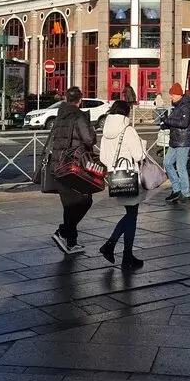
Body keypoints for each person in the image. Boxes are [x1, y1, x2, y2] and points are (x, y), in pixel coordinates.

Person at [46, 86, 98, 254]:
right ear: (80, 100)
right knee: (84, 201)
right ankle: (63, 232)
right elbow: (89, 139)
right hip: (74, 167)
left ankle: (71, 242)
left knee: (69, 205)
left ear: (66, 99)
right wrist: (92, 129)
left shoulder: (60, 116)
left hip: (58, 166)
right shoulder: (78, 115)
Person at [97, 100, 147, 270]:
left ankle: (125, 254)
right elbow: (139, 155)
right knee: (132, 215)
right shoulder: (128, 130)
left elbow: (103, 158)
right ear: (126, 113)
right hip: (129, 176)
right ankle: (113, 246)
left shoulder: (106, 131)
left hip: (116, 177)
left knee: (131, 214)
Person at [161, 82, 190, 205]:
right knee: (167, 162)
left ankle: (185, 194)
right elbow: (174, 121)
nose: (171, 97)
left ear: (179, 94)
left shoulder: (185, 106)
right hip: (175, 140)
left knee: (181, 167)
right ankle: (176, 189)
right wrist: (165, 124)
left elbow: (184, 123)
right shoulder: (177, 106)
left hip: (183, 141)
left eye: (173, 94)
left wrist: (168, 120)